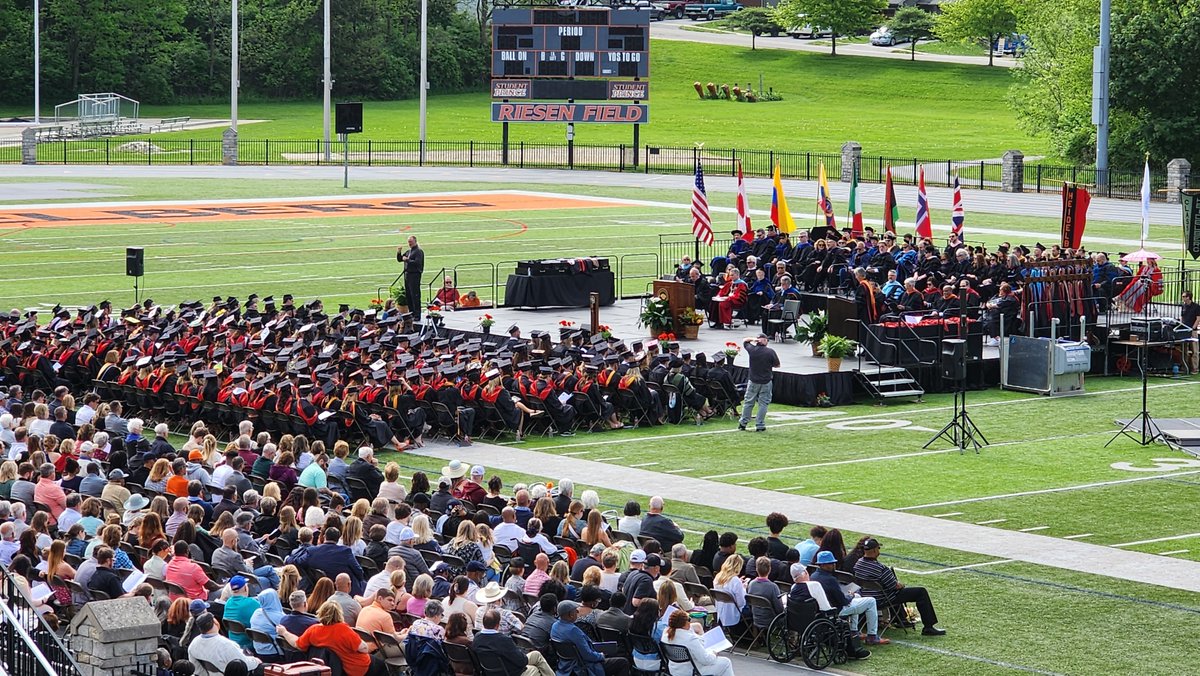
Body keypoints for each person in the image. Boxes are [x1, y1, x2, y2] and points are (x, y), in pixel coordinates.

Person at [852, 538, 945, 636]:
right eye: (878, 548)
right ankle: (928, 627)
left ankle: (901, 619)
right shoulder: (880, 568)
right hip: (882, 599)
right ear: (875, 550)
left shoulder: (858, 564)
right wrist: (901, 585)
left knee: (896, 592)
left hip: (865, 596)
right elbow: (894, 586)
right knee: (921, 592)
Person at [277, 600, 383, 676]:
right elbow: (364, 648)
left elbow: (297, 644)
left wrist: (284, 632)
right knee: (382, 665)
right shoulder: (344, 630)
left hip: (337, 668)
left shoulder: (314, 630)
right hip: (357, 668)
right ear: (339, 613)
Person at [811, 550, 889, 645]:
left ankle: (854, 631)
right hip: (836, 610)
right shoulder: (830, 579)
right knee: (871, 601)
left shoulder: (813, 576)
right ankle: (872, 636)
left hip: (823, 608)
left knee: (857, 596)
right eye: (831, 563)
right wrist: (851, 596)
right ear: (823, 565)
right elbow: (843, 601)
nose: (834, 565)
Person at [549, 600, 630, 676]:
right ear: (571, 614)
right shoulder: (573, 630)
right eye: (575, 610)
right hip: (582, 667)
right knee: (623, 662)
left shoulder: (555, 626)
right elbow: (588, 655)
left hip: (565, 666)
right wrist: (601, 656)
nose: (577, 612)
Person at [473, 608, 554, 676]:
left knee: (536, 655)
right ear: (497, 625)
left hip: (492, 672)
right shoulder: (504, 640)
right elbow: (521, 662)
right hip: (510, 672)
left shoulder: (476, 638)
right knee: (535, 668)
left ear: (483, 623)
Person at [661, 609, 735, 676]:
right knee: (726, 662)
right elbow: (706, 660)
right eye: (689, 620)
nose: (690, 622)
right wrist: (713, 653)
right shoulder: (690, 639)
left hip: (675, 670)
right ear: (684, 623)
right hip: (692, 671)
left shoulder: (665, 633)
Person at [187, 612, 263, 676]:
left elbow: (196, 669)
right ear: (215, 622)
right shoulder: (226, 644)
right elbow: (245, 665)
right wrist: (255, 661)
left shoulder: (194, 644)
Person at [738, 333, 779, 432]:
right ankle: (760, 425)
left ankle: (743, 423)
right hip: (766, 382)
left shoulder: (752, 350)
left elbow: (745, 340)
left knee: (748, 402)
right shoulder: (770, 352)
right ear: (764, 341)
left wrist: (754, 339)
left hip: (753, 381)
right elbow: (777, 365)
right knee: (763, 404)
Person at [398, 235, 425, 322]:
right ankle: (411, 313)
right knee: (409, 295)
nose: (409, 243)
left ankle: (417, 314)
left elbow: (417, 263)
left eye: (411, 242)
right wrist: (399, 252)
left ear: (415, 241)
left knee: (415, 295)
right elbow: (400, 259)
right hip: (407, 275)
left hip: (414, 275)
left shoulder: (418, 251)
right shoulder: (409, 251)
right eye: (408, 242)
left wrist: (407, 260)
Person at [1182, 290, 1200, 374]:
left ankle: (1195, 368)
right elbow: (1182, 317)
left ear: (1188, 297)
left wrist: (1193, 328)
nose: (1183, 298)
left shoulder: (1196, 306)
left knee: (1194, 350)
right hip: (1184, 330)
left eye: (1184, 296)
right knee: (1184, 350)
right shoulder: (1183, 306)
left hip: (1192, 330)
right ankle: (1185, 367)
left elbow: (1198, 318)